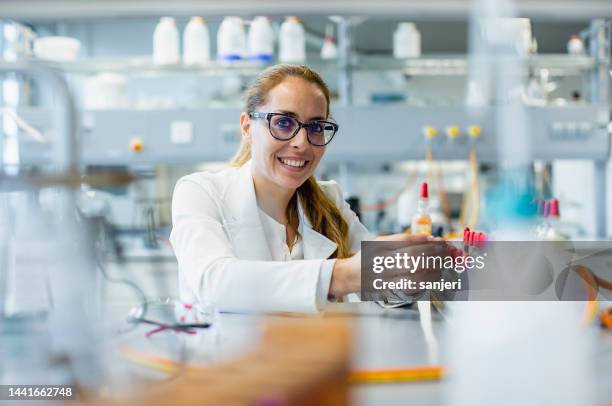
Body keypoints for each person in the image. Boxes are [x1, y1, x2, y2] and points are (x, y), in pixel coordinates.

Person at [170, 64, 442, 313]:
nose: (302, 142)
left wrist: (407, 273)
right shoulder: (200, 192)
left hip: (315, 359)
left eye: (315, 127)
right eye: (283, 123)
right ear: (247, 127)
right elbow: (213, 283)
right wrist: (341, 275)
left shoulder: (328, 198)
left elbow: (378, 288)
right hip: (227, 361)